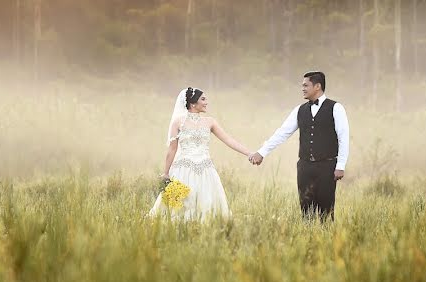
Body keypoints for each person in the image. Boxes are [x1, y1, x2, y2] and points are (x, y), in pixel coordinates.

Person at [249, 71, 350, 221]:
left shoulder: (336, 108)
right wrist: (262, 152)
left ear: (317, 86)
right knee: (305, 211)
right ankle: (307, 241)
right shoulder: (299, 110)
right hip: (304, 167)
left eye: (305, 85)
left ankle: (327, 241)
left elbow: (343, 137)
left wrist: (340, 165)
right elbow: (282, 133)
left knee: (326, 213)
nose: (302, 88)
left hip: (327, 166)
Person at [149, 87, 253, 220]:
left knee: (207, 202)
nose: (206, 102)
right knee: (179, 206)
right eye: (203, 99)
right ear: (193, 103)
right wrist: (166, 173)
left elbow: (228, 140)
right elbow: (172, 149)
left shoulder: (210, 122)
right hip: (183, 170)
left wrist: (249, 153)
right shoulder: (178, 122)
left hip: (206, 170)